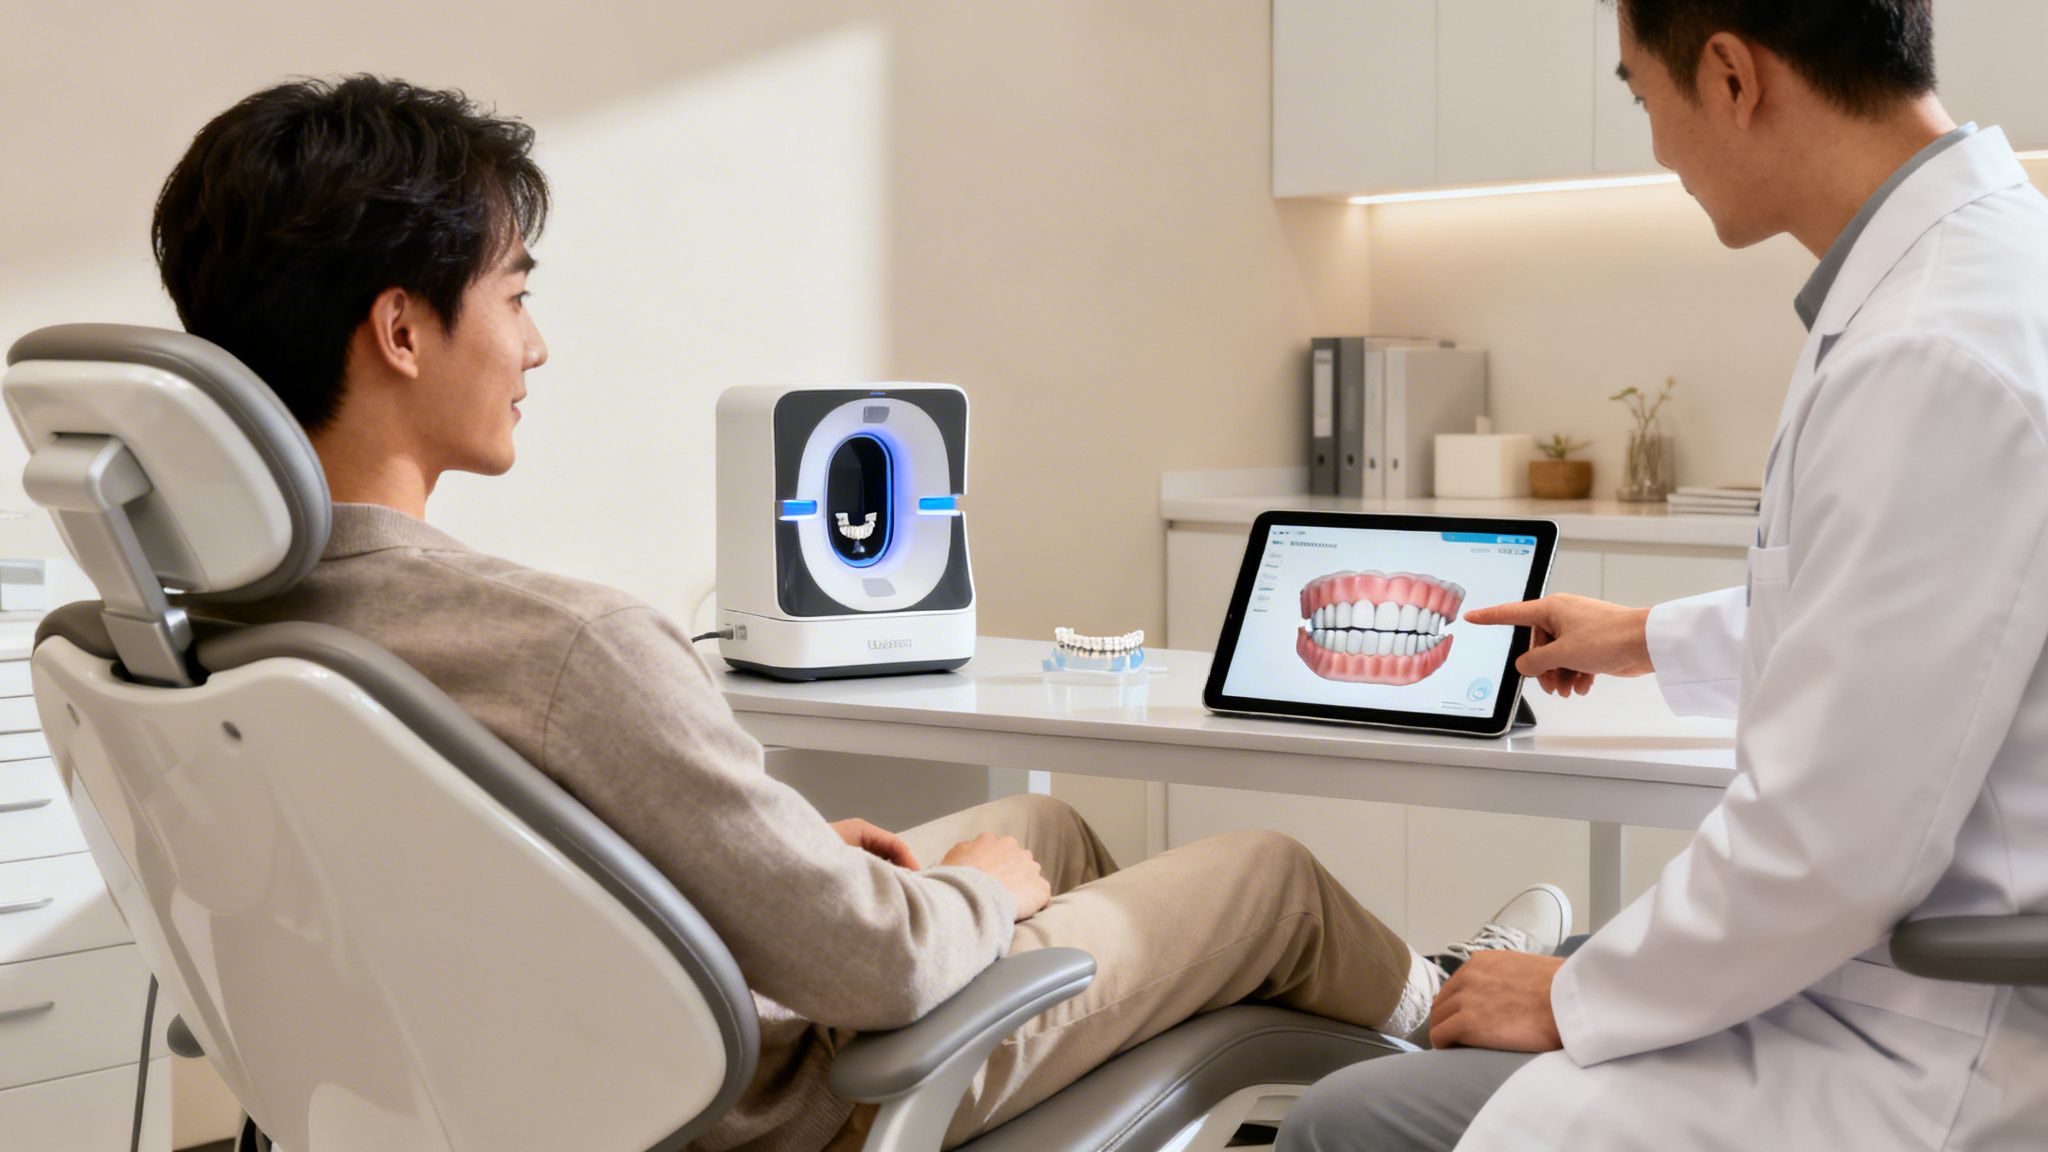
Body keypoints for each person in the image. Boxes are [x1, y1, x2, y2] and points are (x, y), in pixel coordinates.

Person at [151, 76, 1572, 1152]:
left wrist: (749, 866)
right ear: (402, 329)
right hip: (772, 1097)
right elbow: (882, 962)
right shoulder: (568, 649)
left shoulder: (228, 629)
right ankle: (1452, 1004)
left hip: (543, 1052)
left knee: (1055, 830)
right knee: (1261, 875)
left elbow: (491, 868)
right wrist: (974, 903)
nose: (535, 343)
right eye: (514, 294)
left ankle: (1412, 984)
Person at [1280, 2, 2048, 1149]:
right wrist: (1643, 634)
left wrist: (1566, 996)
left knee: (1353, 1118)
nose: (1655, 146)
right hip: (1876, 965)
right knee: (1509, 981)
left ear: (1731, 77)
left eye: (1644, 96)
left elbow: (1829, 844)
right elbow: (1914, 642)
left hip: (1913, 1036)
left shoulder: (1928, 351)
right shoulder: (1975, 276)